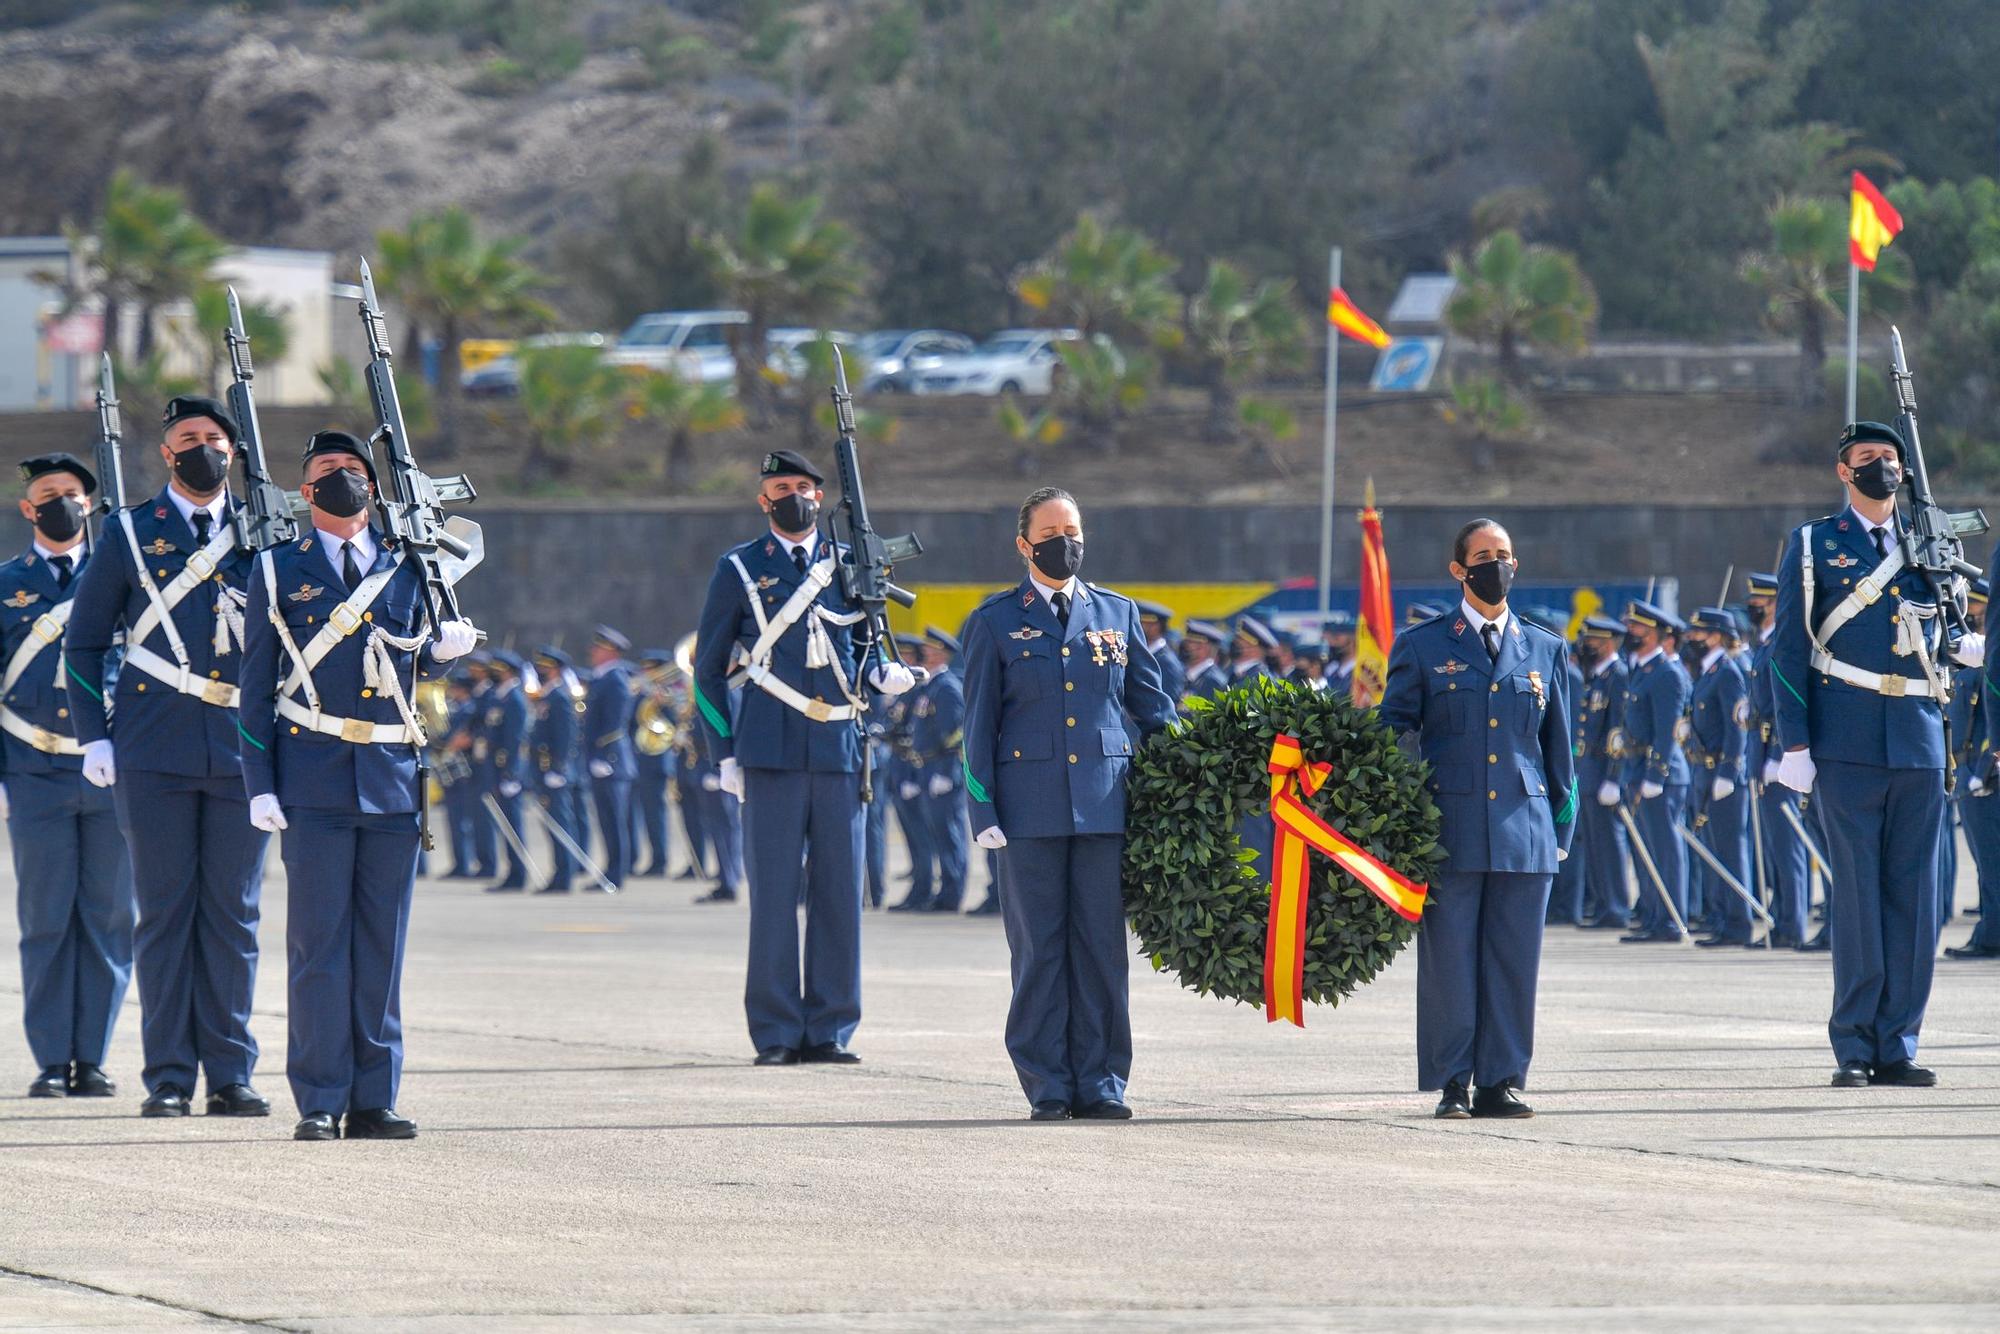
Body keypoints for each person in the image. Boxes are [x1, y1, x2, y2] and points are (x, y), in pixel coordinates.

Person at [239, 430, 477, 1140]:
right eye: (325, 472)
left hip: (391, 780)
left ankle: (375, 1095)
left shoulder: (413, 569)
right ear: (304, 492)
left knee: (381, 946)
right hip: (311, 781)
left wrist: (446, 654)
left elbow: (415, 669)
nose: (342, 478)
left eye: (352, 469)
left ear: (374, 487)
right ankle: (319, 1097)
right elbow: (255, 689)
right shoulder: (278, 570)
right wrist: (260, 782)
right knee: (319, 946)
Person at [63, 394, 271, 1119]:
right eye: (189, 438)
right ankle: (170, 1078)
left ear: (235, 453)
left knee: (234, 918)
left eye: (215, 438)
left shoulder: (264, 534)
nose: (203, 449)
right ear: (166, 453)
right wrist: (94, 733)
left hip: (244, 754)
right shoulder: (126, 532)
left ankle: (232, 1072)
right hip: (151, 749)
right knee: (163, 916)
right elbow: (85, 642)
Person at [693, 449, 916, 1065]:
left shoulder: (853, 565)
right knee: (772, 898)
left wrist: (884, 679)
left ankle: (831, 1028)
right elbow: (707, 671)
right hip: (768, 753)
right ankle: (775, 1031)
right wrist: (724, 753)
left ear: (822, 497)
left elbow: (864, 651)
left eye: (804, 486)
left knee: (842, 895)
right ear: (763, 500)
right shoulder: (738, 568)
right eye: (781, 487)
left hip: (842, 751)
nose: (795, 495)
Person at [961, 487, 1175, 1120]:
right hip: (1027, 814)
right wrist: (984, 811)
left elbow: (1151, 708)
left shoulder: (1117, 613)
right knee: (1040, 951)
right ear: (1025, 545)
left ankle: (1103, 1081)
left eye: (1074, 530)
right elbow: (979, 726)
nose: (1066, 543)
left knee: (1102, 951)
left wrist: (1203, 766)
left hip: (1105, 807)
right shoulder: (995, 620)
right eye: (1052, 533)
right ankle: (1048, 1082)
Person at [1772, 419, 1974, 1088]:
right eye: (1868, 459)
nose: (1881, 468)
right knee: (1857, 899)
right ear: (1843, 471)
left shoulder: (1930, 545)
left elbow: (1950, 634)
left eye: (1890, 458)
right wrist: (1795, 743)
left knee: (1916, 901)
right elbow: (1788, 651)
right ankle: (1854, 1044)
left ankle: (1899, 1041)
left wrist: (1966, 641)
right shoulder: (1812, 545)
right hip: (1847, 742)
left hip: (1917, 739)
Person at [1379, 519, 1575, 1119]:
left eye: (1506, 555)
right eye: (1485, 556)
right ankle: (1453, 1082)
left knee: (1514, 963)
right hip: (1449, 828)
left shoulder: (1545, 647)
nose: (1498, 565)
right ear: (1459, 570)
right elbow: (1393, 732)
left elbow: (1560, 751)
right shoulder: (1425, 645)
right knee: (1451, 964)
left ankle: (1503, 1081)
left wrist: (1559, 835)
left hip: (1525, 829)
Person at [1, 453, 135, 1099]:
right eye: (48, 495)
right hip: (34, 771)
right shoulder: (5, 586)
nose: (61, 503)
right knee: (47, 917)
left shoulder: (127, 580)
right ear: (28, 509)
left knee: (109, 917)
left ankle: (95, 1056)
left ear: (91, 503)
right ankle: (53, 1059)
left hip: (110, 769)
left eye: (72, 493)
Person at [1604, 601, 1691, 944]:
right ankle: (1655, 915)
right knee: (1648, 852)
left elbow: (1667, 729)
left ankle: (1671, 919)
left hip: (1662, 776)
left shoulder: (1666, 673)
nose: (1632, 633)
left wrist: (1655, 776)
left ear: (1657, 635)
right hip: (1637, 769)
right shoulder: (1641, 670)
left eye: (1639, 629)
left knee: (1665, 852)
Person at [1743, 571, 1809, 947]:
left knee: (1788, 849)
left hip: (1780, 758)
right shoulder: (1764, 645)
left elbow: (1786, 707)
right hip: (1763, 757)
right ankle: (1781, 921)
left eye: (1760, 602)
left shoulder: (1781, 644)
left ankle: (1792, 925)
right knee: (1774, 850)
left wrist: (1781, 755)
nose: (1754, 608)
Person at [1684, 606, 1755, 947]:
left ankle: (1738, 923)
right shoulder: (1709, 671)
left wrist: (1730, 769)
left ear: (1716, 636)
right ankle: (1721, 918)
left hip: (1721, 774)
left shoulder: (1727, 672)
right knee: (1714, 850)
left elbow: (1736, 726)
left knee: (1730, 851)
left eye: (1700, 633)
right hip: (1703, 771)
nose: (1693, 639)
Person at [1574, 616, 1631, 929]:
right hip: (1589, 769)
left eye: (1592, 641)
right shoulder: (1596, 676)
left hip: (1604, 770)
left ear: (1607, 643)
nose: (1587, 646)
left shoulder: (1617, 676)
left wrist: (1614, 777)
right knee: (1595, 843)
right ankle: (1603, 904)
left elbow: (1618, 732)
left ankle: (1616, 906)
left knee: (1610, 843)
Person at [913, 626, 968, 913]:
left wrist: (947, 773)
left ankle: (952, 893)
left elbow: (955, 736)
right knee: (938, 834)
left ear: (941, 654)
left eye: (932, 650)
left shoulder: (946, 687)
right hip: (929, 768)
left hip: (942, 770)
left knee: (950, 834)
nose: (926, 653)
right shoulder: (932, 685)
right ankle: (945, 890)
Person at [583, 626, 638, 890]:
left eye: (599, 647)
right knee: (606, 822)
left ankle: (616, 875)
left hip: (612, 761)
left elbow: (616, 723)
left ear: (611, 651)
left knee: (616, 823)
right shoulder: (602, 678)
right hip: (603, 760)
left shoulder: (615, 679)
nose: (593, 651)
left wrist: (605, 755)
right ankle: (610, 872)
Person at [529, 646, 585, 895]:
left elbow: (566, 736)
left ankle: (565, 876)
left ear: (556, 671)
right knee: (553, 824)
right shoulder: (548, 696)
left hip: (555, 771)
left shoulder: (559, 697)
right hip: (545, 770)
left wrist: (559, 768)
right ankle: (559, 873)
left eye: (546, 667)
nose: (541, 671)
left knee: (561, 824)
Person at [631, 648, 676, 877]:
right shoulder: (640, 694)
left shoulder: (670, 695)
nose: (647, 673)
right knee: (645, 814)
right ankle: (651, 858)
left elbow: (675, 726)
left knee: (656, 813)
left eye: (651, 669)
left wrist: (664, 705)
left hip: (659, 761)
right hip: (640, 759)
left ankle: (661, 860)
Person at [1136, 600, 1185, 704]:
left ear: (1157, 626)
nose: (1139, 628)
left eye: (1144, 623)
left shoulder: (1167, 662)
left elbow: (1168, 702)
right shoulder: (1143, 654)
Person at [1178, 620, 1231, 707]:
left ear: (1203, 648)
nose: (1185, 647)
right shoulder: (1189, 676)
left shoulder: (1213, 682)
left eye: (1190, 643)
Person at [1322, 611, 1358, 695]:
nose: (1331, 642)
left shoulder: (1362, 670)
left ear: (1353, 637)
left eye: (1336, 636)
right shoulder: (1331, 669)